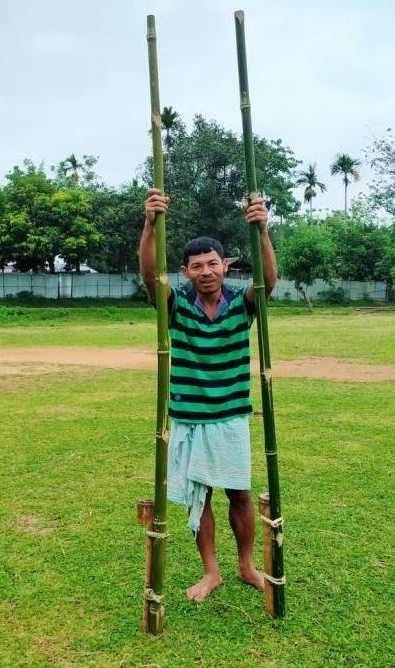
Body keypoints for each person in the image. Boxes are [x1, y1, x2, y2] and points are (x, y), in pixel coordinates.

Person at [138, 187, 277, 602]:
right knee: (202, 496)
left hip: (232, 415)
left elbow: (268, 282)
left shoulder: (242, 304)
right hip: (190, 416)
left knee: (239, 492)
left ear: (226, 266)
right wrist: (149, 224)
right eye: (196, 266)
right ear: (185, 272)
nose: (205, 271)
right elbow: (149, 277)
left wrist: (262, 229)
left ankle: (247, 565)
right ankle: (211, 571)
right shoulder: (176, 305)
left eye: (212, 263)